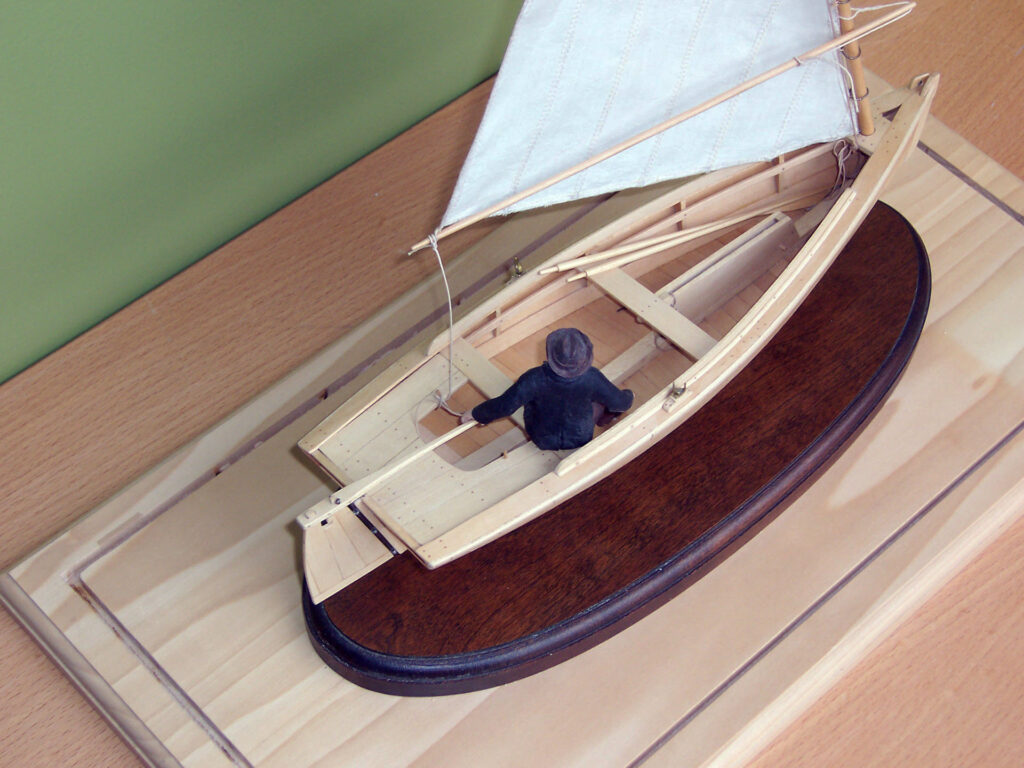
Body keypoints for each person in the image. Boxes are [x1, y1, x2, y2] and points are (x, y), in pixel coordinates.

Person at [463, 328, 634, 450]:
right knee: (601, 401)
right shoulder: (593, 378)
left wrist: (476, 413)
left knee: (528, 397)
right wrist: (629, 395)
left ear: (550, 355)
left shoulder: (533, 378)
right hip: (580, 438)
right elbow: (621, 403)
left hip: (542, 438)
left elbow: (504, 406)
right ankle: (605, 419)